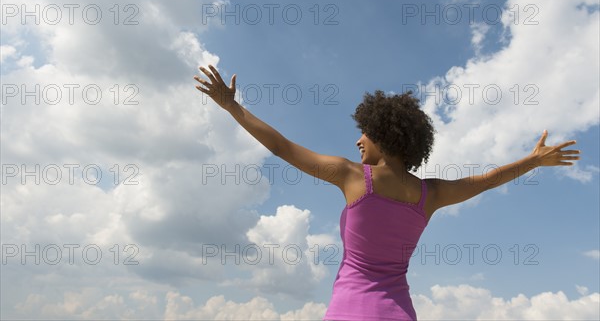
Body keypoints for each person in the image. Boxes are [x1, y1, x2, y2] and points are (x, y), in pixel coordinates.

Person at [193, 64, 581, 321]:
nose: (359, 140)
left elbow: (281, 147)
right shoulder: (431, 194)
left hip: (349, 310)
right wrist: (532, 161)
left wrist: (232, 108)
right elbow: (489, 179)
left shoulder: (351, 177)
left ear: (383, 134)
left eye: (365, 131)